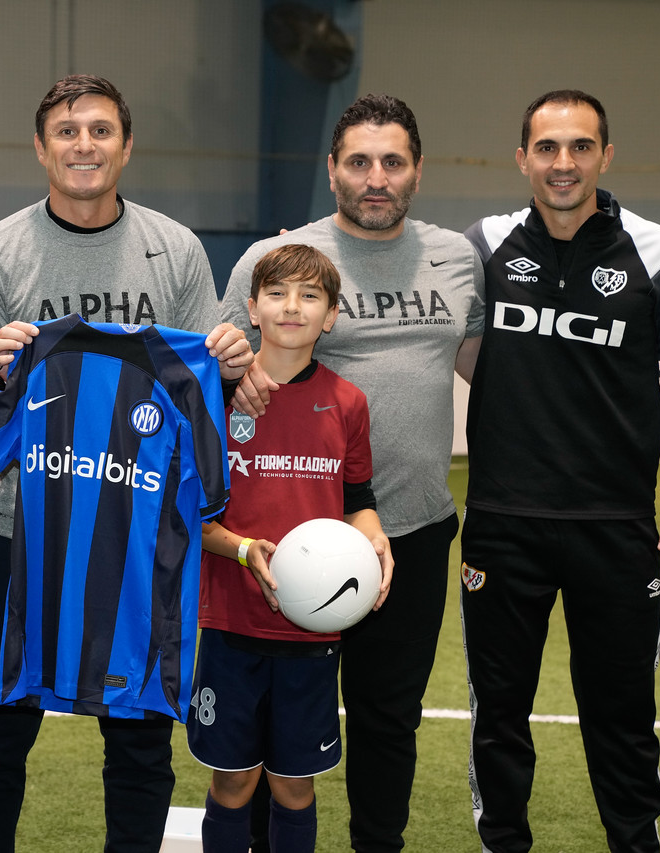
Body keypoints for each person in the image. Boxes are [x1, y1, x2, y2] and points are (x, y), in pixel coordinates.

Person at [0, 73, 251, 853]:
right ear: (40, 146)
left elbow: (195, 395)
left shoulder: (176, 250)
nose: (83, 145)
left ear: (126, 145)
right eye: (66, 130)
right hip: (23, 530)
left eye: (99, 130)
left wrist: (226, 366)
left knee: (141, 737)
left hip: (139, 529)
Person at [223, 93, 485, 852]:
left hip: (412, 529)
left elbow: (483, 366)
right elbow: (216, 368)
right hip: (288, 540)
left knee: (388, 717)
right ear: (332, 168)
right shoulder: (280, 261)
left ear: (417, 170)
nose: (377, 178)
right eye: (360, 162)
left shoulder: (457, 258)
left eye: (392, 162)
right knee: (268, 730)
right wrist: (232, 373)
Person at [459, 89, 660, 853]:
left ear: (606, 155)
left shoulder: (659, 250)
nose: (563, 162)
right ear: (522, 158)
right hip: (503, 524)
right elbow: (420, 311)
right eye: (547, 147)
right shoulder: (483, 243)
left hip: (616, 525)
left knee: (622, 715)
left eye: (580, 146)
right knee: (498, 714)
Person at [186, 244, 393, 853]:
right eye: (276, 294)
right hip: (231, 621)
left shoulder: (347, 402)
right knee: (233, 781)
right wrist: (243, 548)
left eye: (310, 295)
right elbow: (186, 515)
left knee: (295, 786)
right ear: (252, 309)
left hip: (314, 629)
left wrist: (374, 535)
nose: (292, 307)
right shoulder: (213, 399)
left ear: (331, 315)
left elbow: (357, 497)